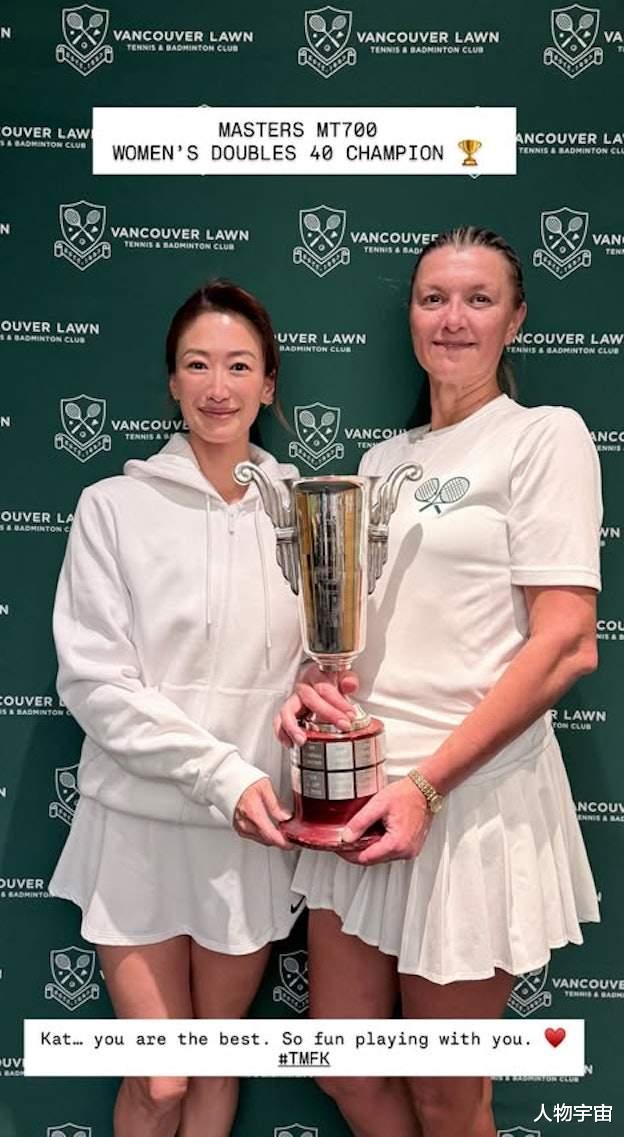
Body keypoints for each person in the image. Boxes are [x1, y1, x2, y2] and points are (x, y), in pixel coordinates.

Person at [276, 226, 602, 1137]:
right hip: (366, 796)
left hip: (464, 801)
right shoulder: (382, 462)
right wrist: (315, 685)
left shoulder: (543, 437)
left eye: (478, 299)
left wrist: (427, 786)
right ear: (411, 316)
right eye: (433, 299)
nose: (452, 319)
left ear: (516, 320)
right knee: (344, 1065)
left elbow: (568, 642)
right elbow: (364, 632)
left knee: (448, 1096)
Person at [49, 280, 304, 1137]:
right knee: (161, 1080)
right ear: (171, 380)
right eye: (197, 365)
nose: (217, 386)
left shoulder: (306, 512)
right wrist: (220, 773)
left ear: (268, 382)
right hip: (138, 829)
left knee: (214, 1063)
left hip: (248, 836)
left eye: (238, 366)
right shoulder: (111, 508)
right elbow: (96, 684)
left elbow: (322, 661)